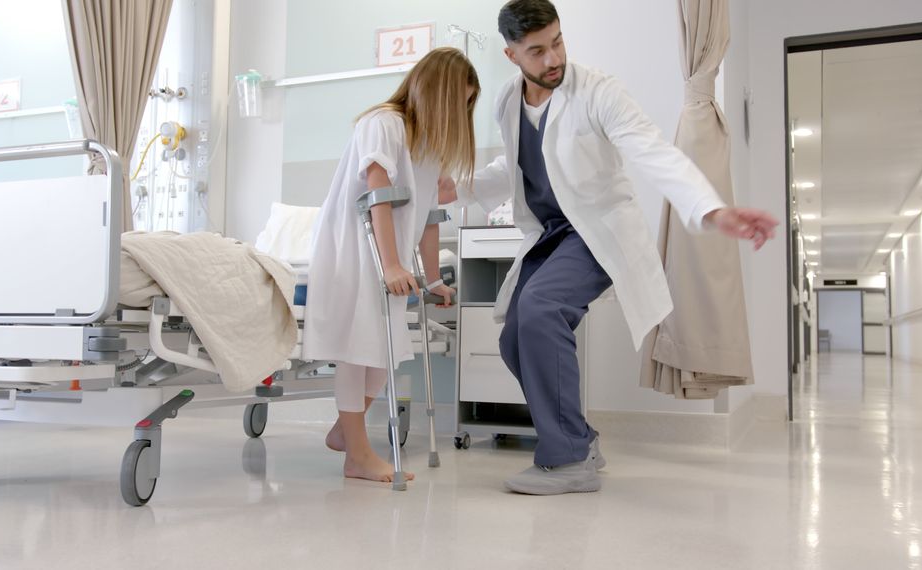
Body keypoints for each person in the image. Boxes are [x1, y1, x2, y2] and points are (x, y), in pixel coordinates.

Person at [439, 0, 778, 495]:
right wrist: (460, 187)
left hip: (596, 231)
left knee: (539, 308)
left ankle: (568, 459)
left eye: (557, 41)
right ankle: (580, 439)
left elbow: (652, 150)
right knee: (514, 337)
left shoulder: (597, 91)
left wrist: (711, 208)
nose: (553, 57)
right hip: (551, 234)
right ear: (512, 55)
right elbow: (514, 169)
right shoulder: (507, 102)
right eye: (537, 50)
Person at [303, 47, 478, 484]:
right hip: (356, 246)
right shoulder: (383, 123)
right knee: (359, 347)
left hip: (386, 255)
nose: (464, 112)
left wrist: (433, 277)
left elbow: (429, 217)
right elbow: (376, 192)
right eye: (461, 101)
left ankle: (346, 433)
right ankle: (357, 454)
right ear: (436, 92)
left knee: (385, 351)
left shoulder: (429, 148)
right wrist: (393, 263)